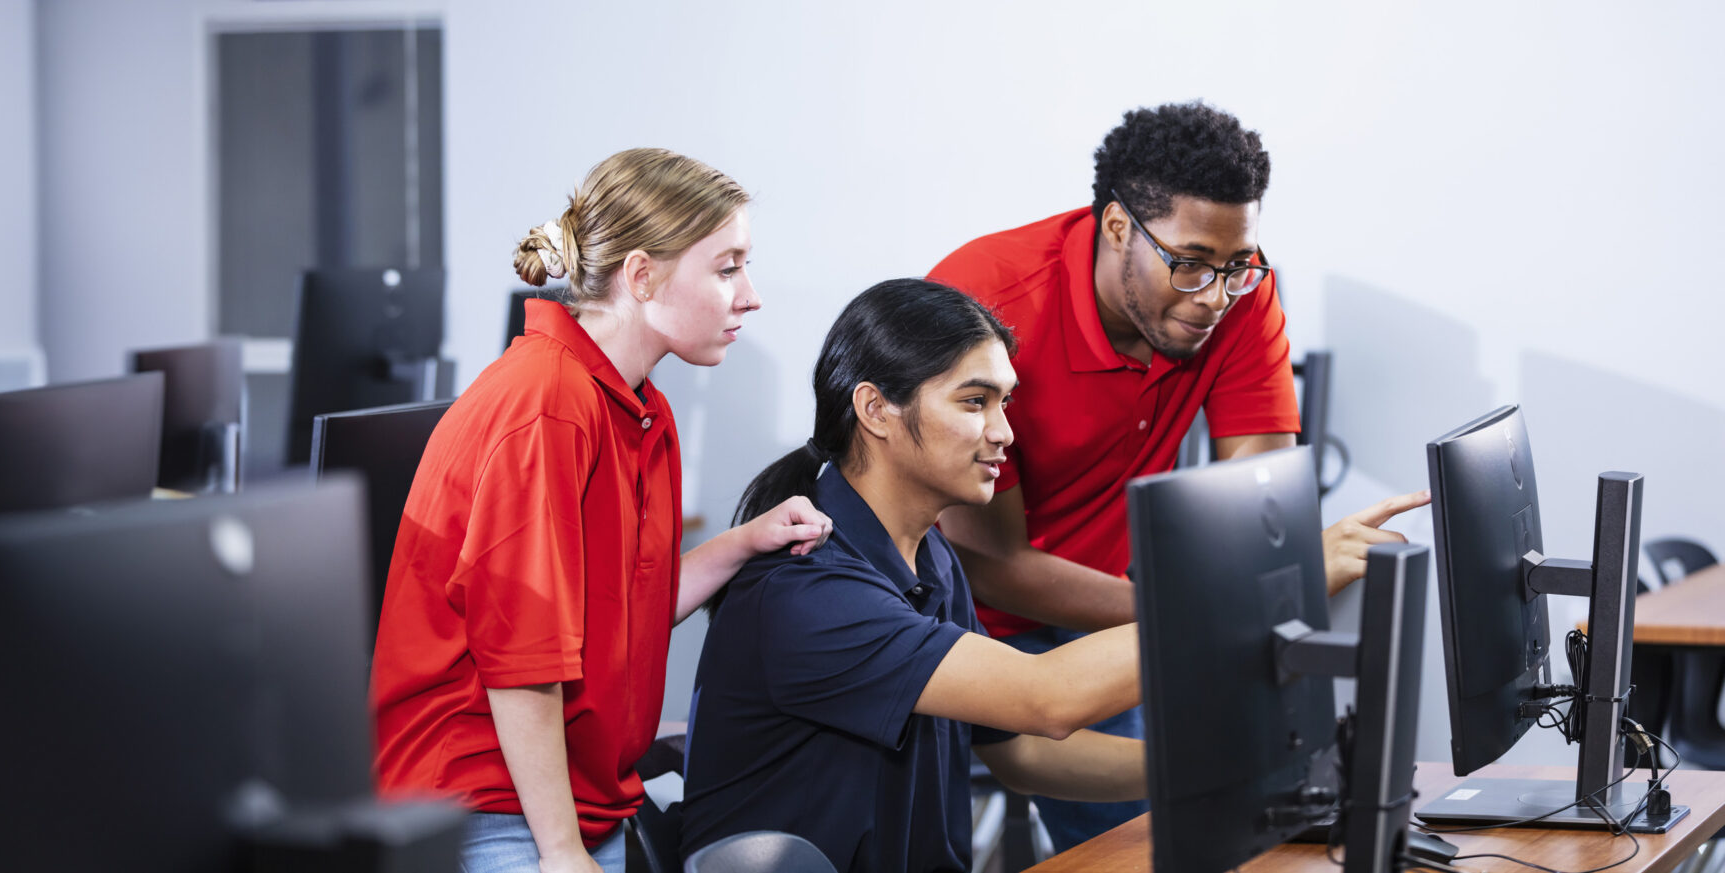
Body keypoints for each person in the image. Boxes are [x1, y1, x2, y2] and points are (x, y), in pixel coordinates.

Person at [926, 101, 1428, 850]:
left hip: (1129, 610)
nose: (1214, 295)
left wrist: (1265, 578)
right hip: (979, 626)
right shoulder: (987, 298)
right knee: (1152, 838)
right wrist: (1190, 623)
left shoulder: (1239, 296)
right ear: (1119, 227)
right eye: (1190, 263)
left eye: (1236, 264)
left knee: (1247, 824)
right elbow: (989, 563)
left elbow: (1252, 517)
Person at [371, 147, 833, 873]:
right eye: (726, 267)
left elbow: (627, 610)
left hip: (570, 802)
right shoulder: (546, 406)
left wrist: (744, 541)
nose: (750, 295)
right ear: (641, 276)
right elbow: (521, 658)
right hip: (487, 808)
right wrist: (560, 851)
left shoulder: (640, 409)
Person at [680, 279, 1143, 872]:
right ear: (876, 410)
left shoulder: (933, 561)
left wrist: (1202, 767)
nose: (1004, 433)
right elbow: (1045, 698)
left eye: (1005, 403)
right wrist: (1209, 612)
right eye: (975, 402)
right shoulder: (808, 587)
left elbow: (1018, 750)